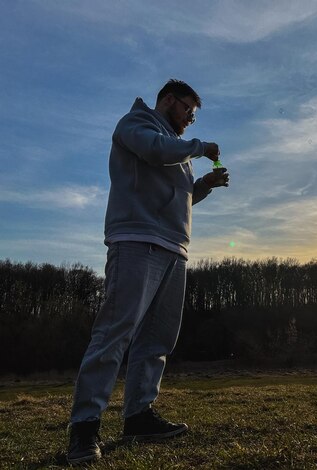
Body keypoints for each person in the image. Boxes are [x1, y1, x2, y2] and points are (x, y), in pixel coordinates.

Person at [67, 79, 229, 465]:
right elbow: (157, 153)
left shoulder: (176, 147)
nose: (190, 117)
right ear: (168, 100)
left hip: (175, 248)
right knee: (114, 333)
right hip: (136, 240)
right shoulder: (135, 125)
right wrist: (201, 147)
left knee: (157, 340)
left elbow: (177, 194)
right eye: (188, 108)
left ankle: (139, 416)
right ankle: (84, 428)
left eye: (193, 113)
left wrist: (202, 185)